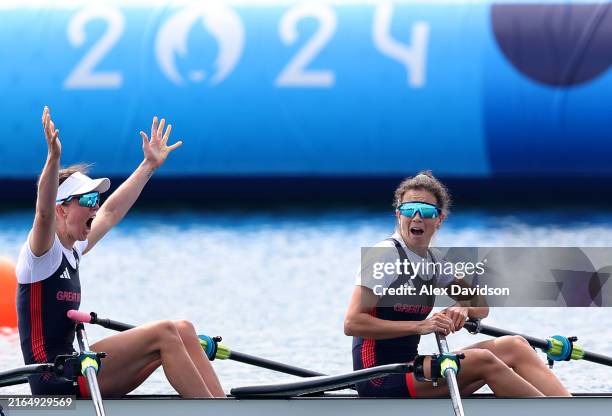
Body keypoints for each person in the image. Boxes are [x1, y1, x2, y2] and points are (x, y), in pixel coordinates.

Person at [16, 106, 224, 398]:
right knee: (164, 332)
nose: (96, 206)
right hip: (53, 381)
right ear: (62, 208)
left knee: (183, 329)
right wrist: (53, 159)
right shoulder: (40, 255)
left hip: (77, 367)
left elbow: (112, 211)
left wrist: (149, 165)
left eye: (96, 198)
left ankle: (220, 405)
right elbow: (42, 212)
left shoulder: (74, 248)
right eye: (88, 199)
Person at [344, 171, 570, 398]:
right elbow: (352, 323)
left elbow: (481, 305)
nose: (417, 218)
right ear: (398, 215)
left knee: (515, 346)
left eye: (427, 211)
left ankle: (568, 408)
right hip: (378, 378)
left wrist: (462, 307)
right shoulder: (385, 255)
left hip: (413, 368)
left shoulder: (434, 261)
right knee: (483, 360)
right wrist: (419, 326)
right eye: (409, 210)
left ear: (439, 219)